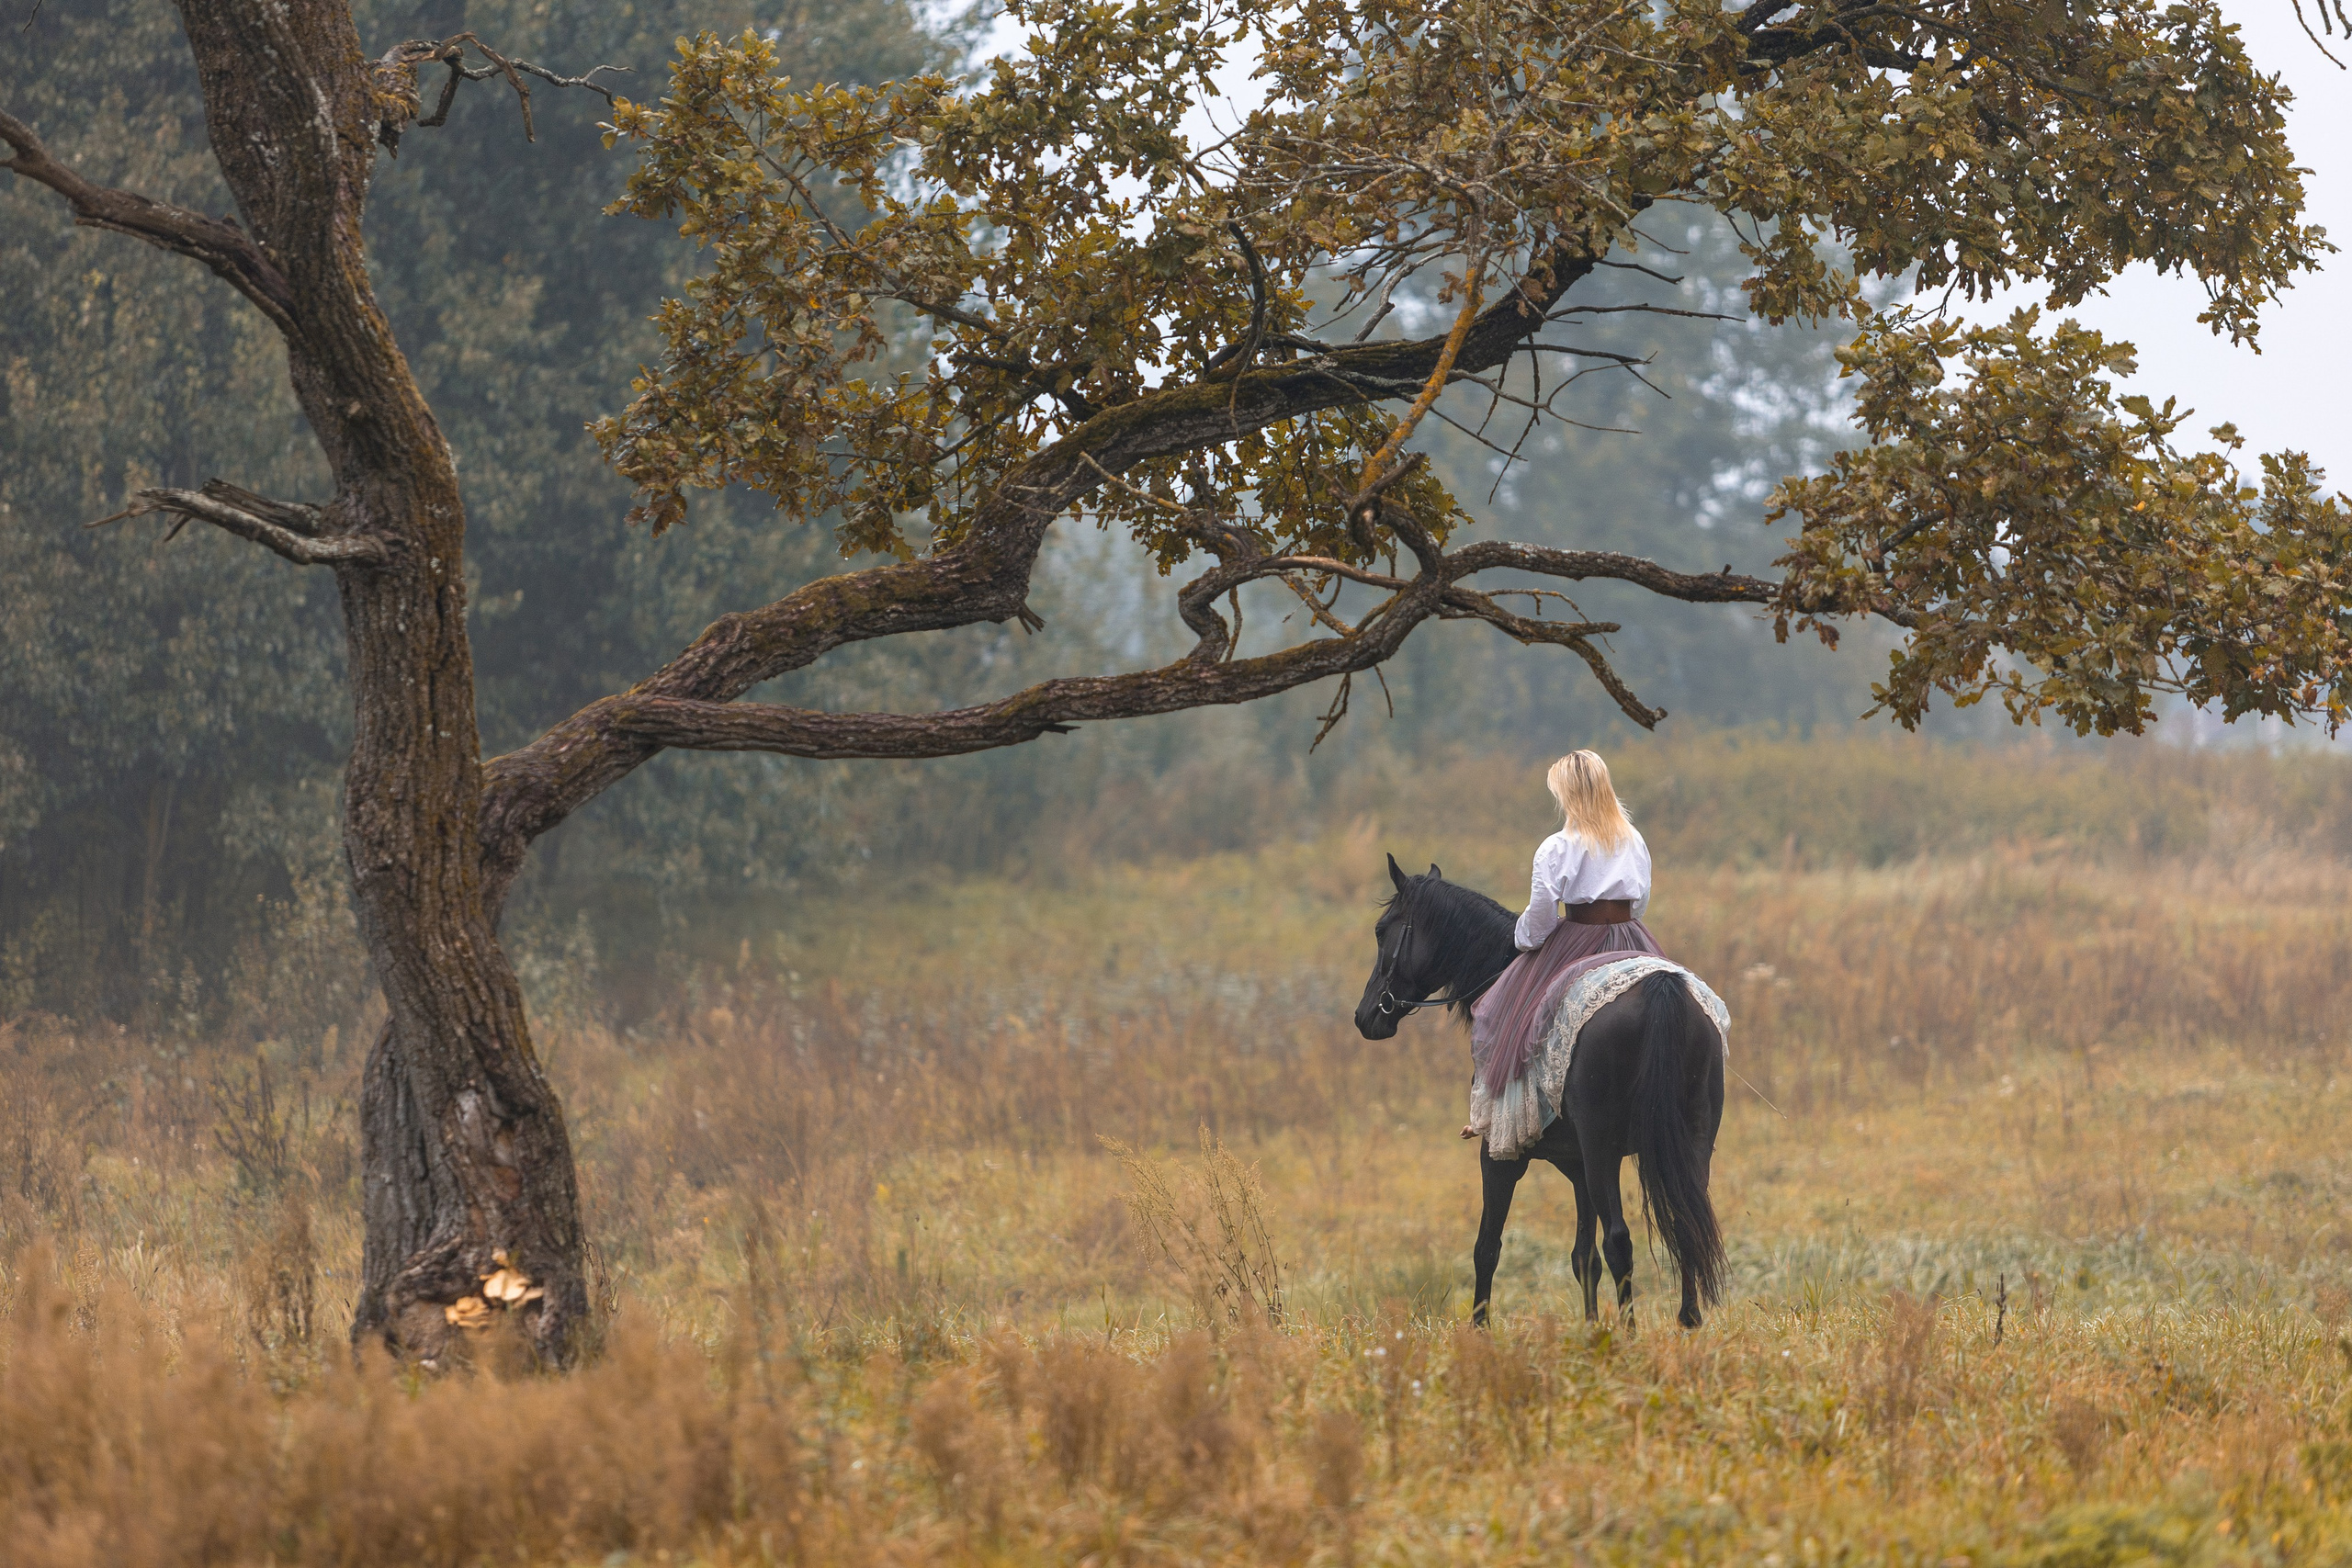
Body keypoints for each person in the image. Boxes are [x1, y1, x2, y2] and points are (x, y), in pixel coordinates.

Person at [1463, 750, 1663, 1137]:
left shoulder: (1555, 847)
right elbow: (1640, 903)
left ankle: (1500, 1119)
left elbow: (1539, 918)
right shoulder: (1634, 840)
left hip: (1574, 940)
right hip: (1630, 936)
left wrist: (1523, 940)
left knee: (1508, 1014)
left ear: (1566, 794)